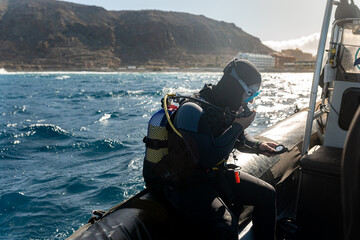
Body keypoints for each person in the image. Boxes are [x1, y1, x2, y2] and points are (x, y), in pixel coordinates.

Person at [144, 58, 278, 240]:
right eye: (249, 93)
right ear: (235, 86)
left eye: (254, 94)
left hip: (212, 175)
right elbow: (207, 157)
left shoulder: (224, 106)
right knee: (226, 226)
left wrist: (258, 146)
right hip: (185, 183)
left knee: (267, 194)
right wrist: (239, 125)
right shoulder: (192, 110)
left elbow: (237, 139)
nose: (250, 99)